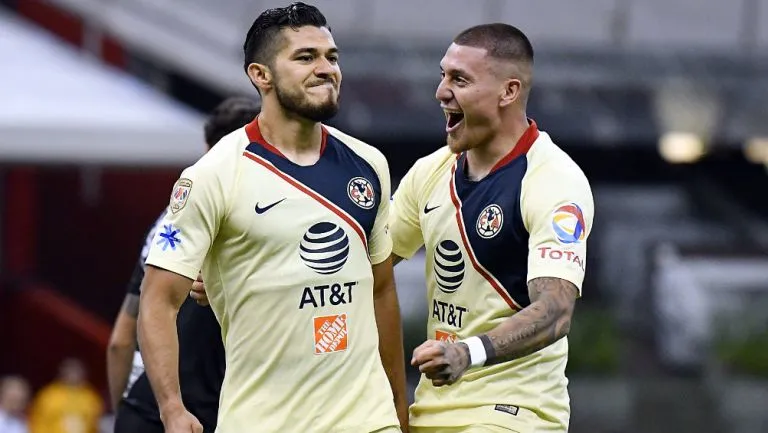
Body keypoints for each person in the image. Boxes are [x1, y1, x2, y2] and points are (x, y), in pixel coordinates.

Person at [138, 3, 408, 433]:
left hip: (366, 420)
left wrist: (399, 410)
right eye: (306, 57)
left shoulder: (369, 164)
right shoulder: (213, 175)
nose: (326, 69)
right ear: (260, 75)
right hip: (262, 421)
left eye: (331, 57)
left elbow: (381, 290)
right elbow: (157, 301)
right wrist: (172, 408)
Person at [389, 24, 594, 433]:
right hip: (430, 410)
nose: (441, 91)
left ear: (509, 92)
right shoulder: (429, 173)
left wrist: (469, 352)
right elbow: (368, 269)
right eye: (443, 75)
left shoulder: (553, 180)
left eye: (459, 79)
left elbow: (555, 310)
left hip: (513, 414)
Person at [107, 96, 262, 433]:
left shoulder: (169, 221)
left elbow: (121, 338)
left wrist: (125, 412)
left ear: (208, 148)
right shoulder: (273, 218)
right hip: (221, 414)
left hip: (151, 410)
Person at [28, 358, 103, 433]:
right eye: (70, 371)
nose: (73, 374)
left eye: (76, 371)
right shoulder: (48, 395)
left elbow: (96, 424)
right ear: (62, 372)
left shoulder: (91, 397)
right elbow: (38, 422)